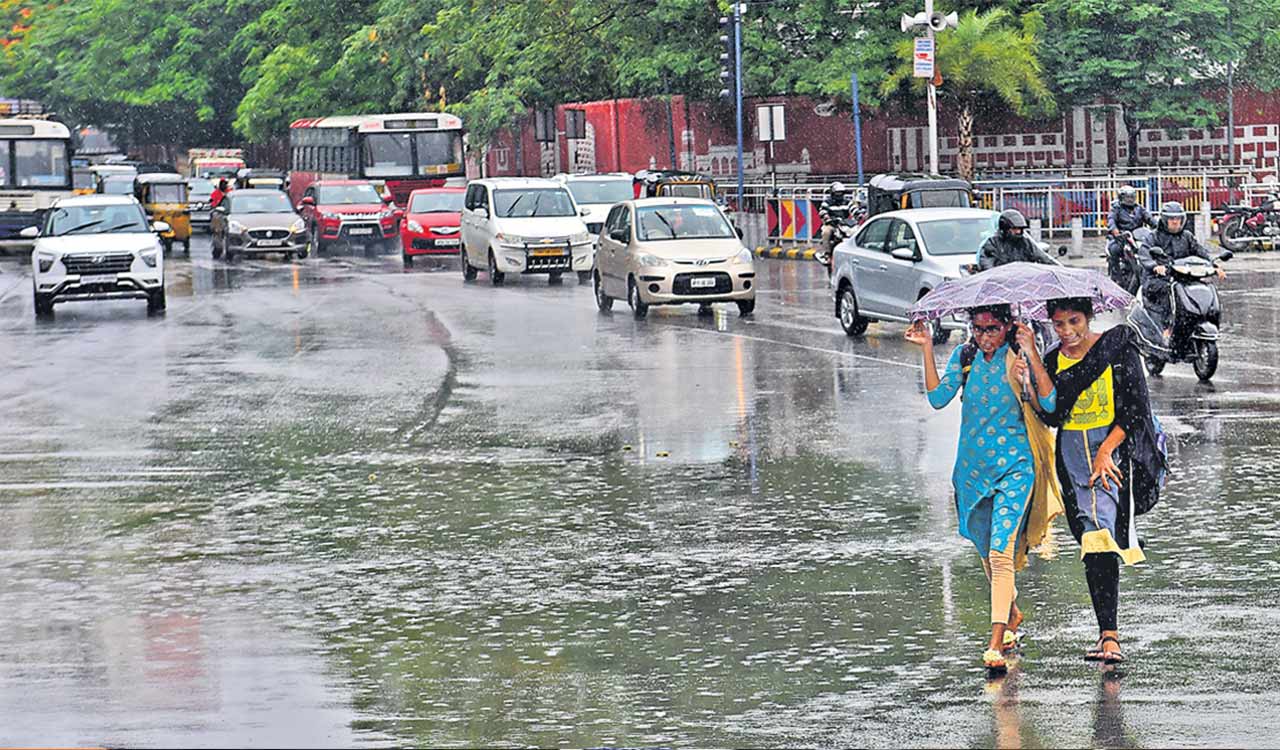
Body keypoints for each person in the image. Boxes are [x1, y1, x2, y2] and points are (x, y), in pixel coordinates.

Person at [906, 307, 1062, 672]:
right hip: (973, 472)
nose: (984, 336)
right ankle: (1011, 612)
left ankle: (996, 640)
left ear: (1008, 326)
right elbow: (937, 398)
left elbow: (1051, 406)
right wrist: (928, 346)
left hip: (1015, 469)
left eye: (992, 328)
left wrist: (1031, 369)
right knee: (985, 550)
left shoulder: (1019, 356)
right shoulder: (965, 357)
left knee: (1000, 551)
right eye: (977, 329)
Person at [1017, 297, 1165, 665]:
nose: (1067, 332)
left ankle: (1110, 637)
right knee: (1090, 540)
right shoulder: (1051, 359)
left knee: (1099, 536)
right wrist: (1030, 373)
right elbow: (1051, 414)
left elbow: (1134, 408)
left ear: (1089, 317)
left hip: (1110, 457)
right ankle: (1105, 633)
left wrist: (1104, 452)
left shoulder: (1117, 349)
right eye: (1059, 324)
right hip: (1070, 461)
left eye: (1074, 321)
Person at [1137, 201, 1222, 333]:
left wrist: (1214, 265)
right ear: (1165, 220)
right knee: (1167, 291)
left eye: (1178, 219)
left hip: (1184, 275)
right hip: (1159, 277)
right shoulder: (1154, 236)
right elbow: (1144, 253)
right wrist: (1155, 266)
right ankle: (1166, 326)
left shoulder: (1187, 236)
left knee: (1203, 288)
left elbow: (1200, 251)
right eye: (1171, 219)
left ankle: (1204, 318)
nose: (1175, 222)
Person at [978, 209, 1058, 271]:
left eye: (1020, 229)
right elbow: (987, 265)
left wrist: (1059, 269)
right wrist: (998, 277)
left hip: (1024, 282)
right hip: (1001, 284)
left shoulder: (1026, 243)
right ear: (1005, 228)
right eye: (1014, 229)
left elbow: (1042, 257)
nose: (1018, 232)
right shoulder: (993, 244)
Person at [1106, 186, 1155, 278]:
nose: (1130, 199)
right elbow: (1111, 220)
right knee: (1114, 250)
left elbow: (1149, 219)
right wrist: (1115, 231)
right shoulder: (1116, 208)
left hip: (1137, 237)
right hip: (1122, 237)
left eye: (1132, 197)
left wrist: (1159, 226)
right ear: (1121, 197)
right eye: (1127, 197)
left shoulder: (1139, 209)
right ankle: (1116, 275)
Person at [818, 181, 855, 256]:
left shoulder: (847, 202)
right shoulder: (827, 202)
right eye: (837, 193)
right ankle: (826, 253)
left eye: (841, 192)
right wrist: (827, 217)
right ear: (832, 193)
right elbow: (823, 211)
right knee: (826, 232)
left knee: (855, 233)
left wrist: (860, 215)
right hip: (832, 224)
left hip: (845, 224)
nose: (839, 194)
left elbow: (854, 209)